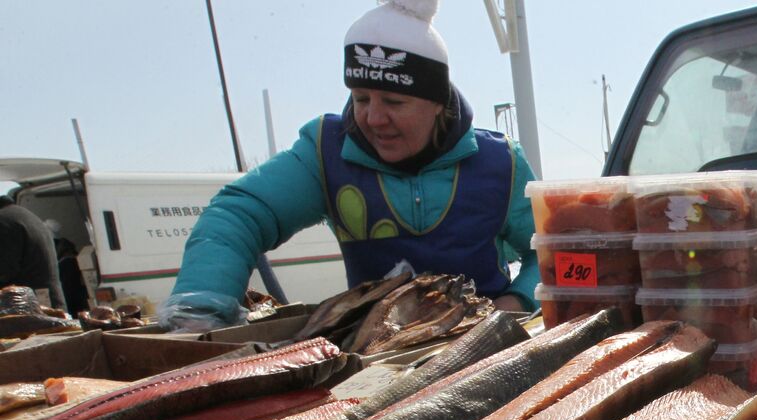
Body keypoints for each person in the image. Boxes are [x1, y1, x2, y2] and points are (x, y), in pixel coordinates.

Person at [160, 0, 539, 331]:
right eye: (361, 98)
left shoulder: (500, 162)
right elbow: (239, 214)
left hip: (486, 352)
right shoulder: (325, 153)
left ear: (438, 101)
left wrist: (517, 303)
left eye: (393, 102)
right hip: (375, 362)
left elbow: (552, 249)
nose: (373, 118)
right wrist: (202, 309)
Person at [0, 193, 67, 312]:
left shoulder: (4, 220)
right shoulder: (23, 215)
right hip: (47, 303)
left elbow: (4, 270)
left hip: (27, 309)